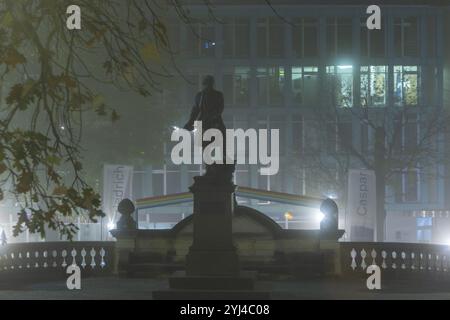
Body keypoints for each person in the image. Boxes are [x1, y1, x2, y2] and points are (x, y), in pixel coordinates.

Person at [184, 75, 233, 179]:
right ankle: (209, 169)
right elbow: (195, 110)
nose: (207, 85)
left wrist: (211, 117)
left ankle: (222, 167)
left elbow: (219, 109)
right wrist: (190, 122)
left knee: (221, 144)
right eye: (206, 83)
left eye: (209, 83)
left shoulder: (218, 95)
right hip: (203, 124)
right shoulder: (199, 96)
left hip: (215, 123)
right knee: (205, 148)